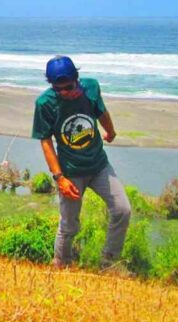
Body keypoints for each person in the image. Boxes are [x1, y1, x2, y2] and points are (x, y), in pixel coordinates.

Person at [32, 55, 131, 269]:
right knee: (68, 226)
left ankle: (109, 263)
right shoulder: (45, 103)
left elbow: (101, 111)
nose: (66, 93)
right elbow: (46, 142)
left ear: (77, 78)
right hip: (71, 172)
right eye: (59, 90)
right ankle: (61, 265)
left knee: (122, 210)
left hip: (99, 166)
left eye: (69, 87)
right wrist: (59, 178)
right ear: (52, 86)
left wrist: (111, 132)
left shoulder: (91, 87)